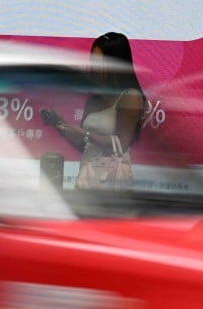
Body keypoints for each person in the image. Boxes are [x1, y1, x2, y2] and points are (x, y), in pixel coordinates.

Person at [42, 32, 145, 191]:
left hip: (112, 185)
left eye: (99, 60)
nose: (93, 65)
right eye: (92, 59)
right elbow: (85, 146)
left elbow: (120, 145)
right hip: (86, 178)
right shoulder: (95, 97)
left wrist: (85, 134)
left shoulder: (130, 96)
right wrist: (61, 126)